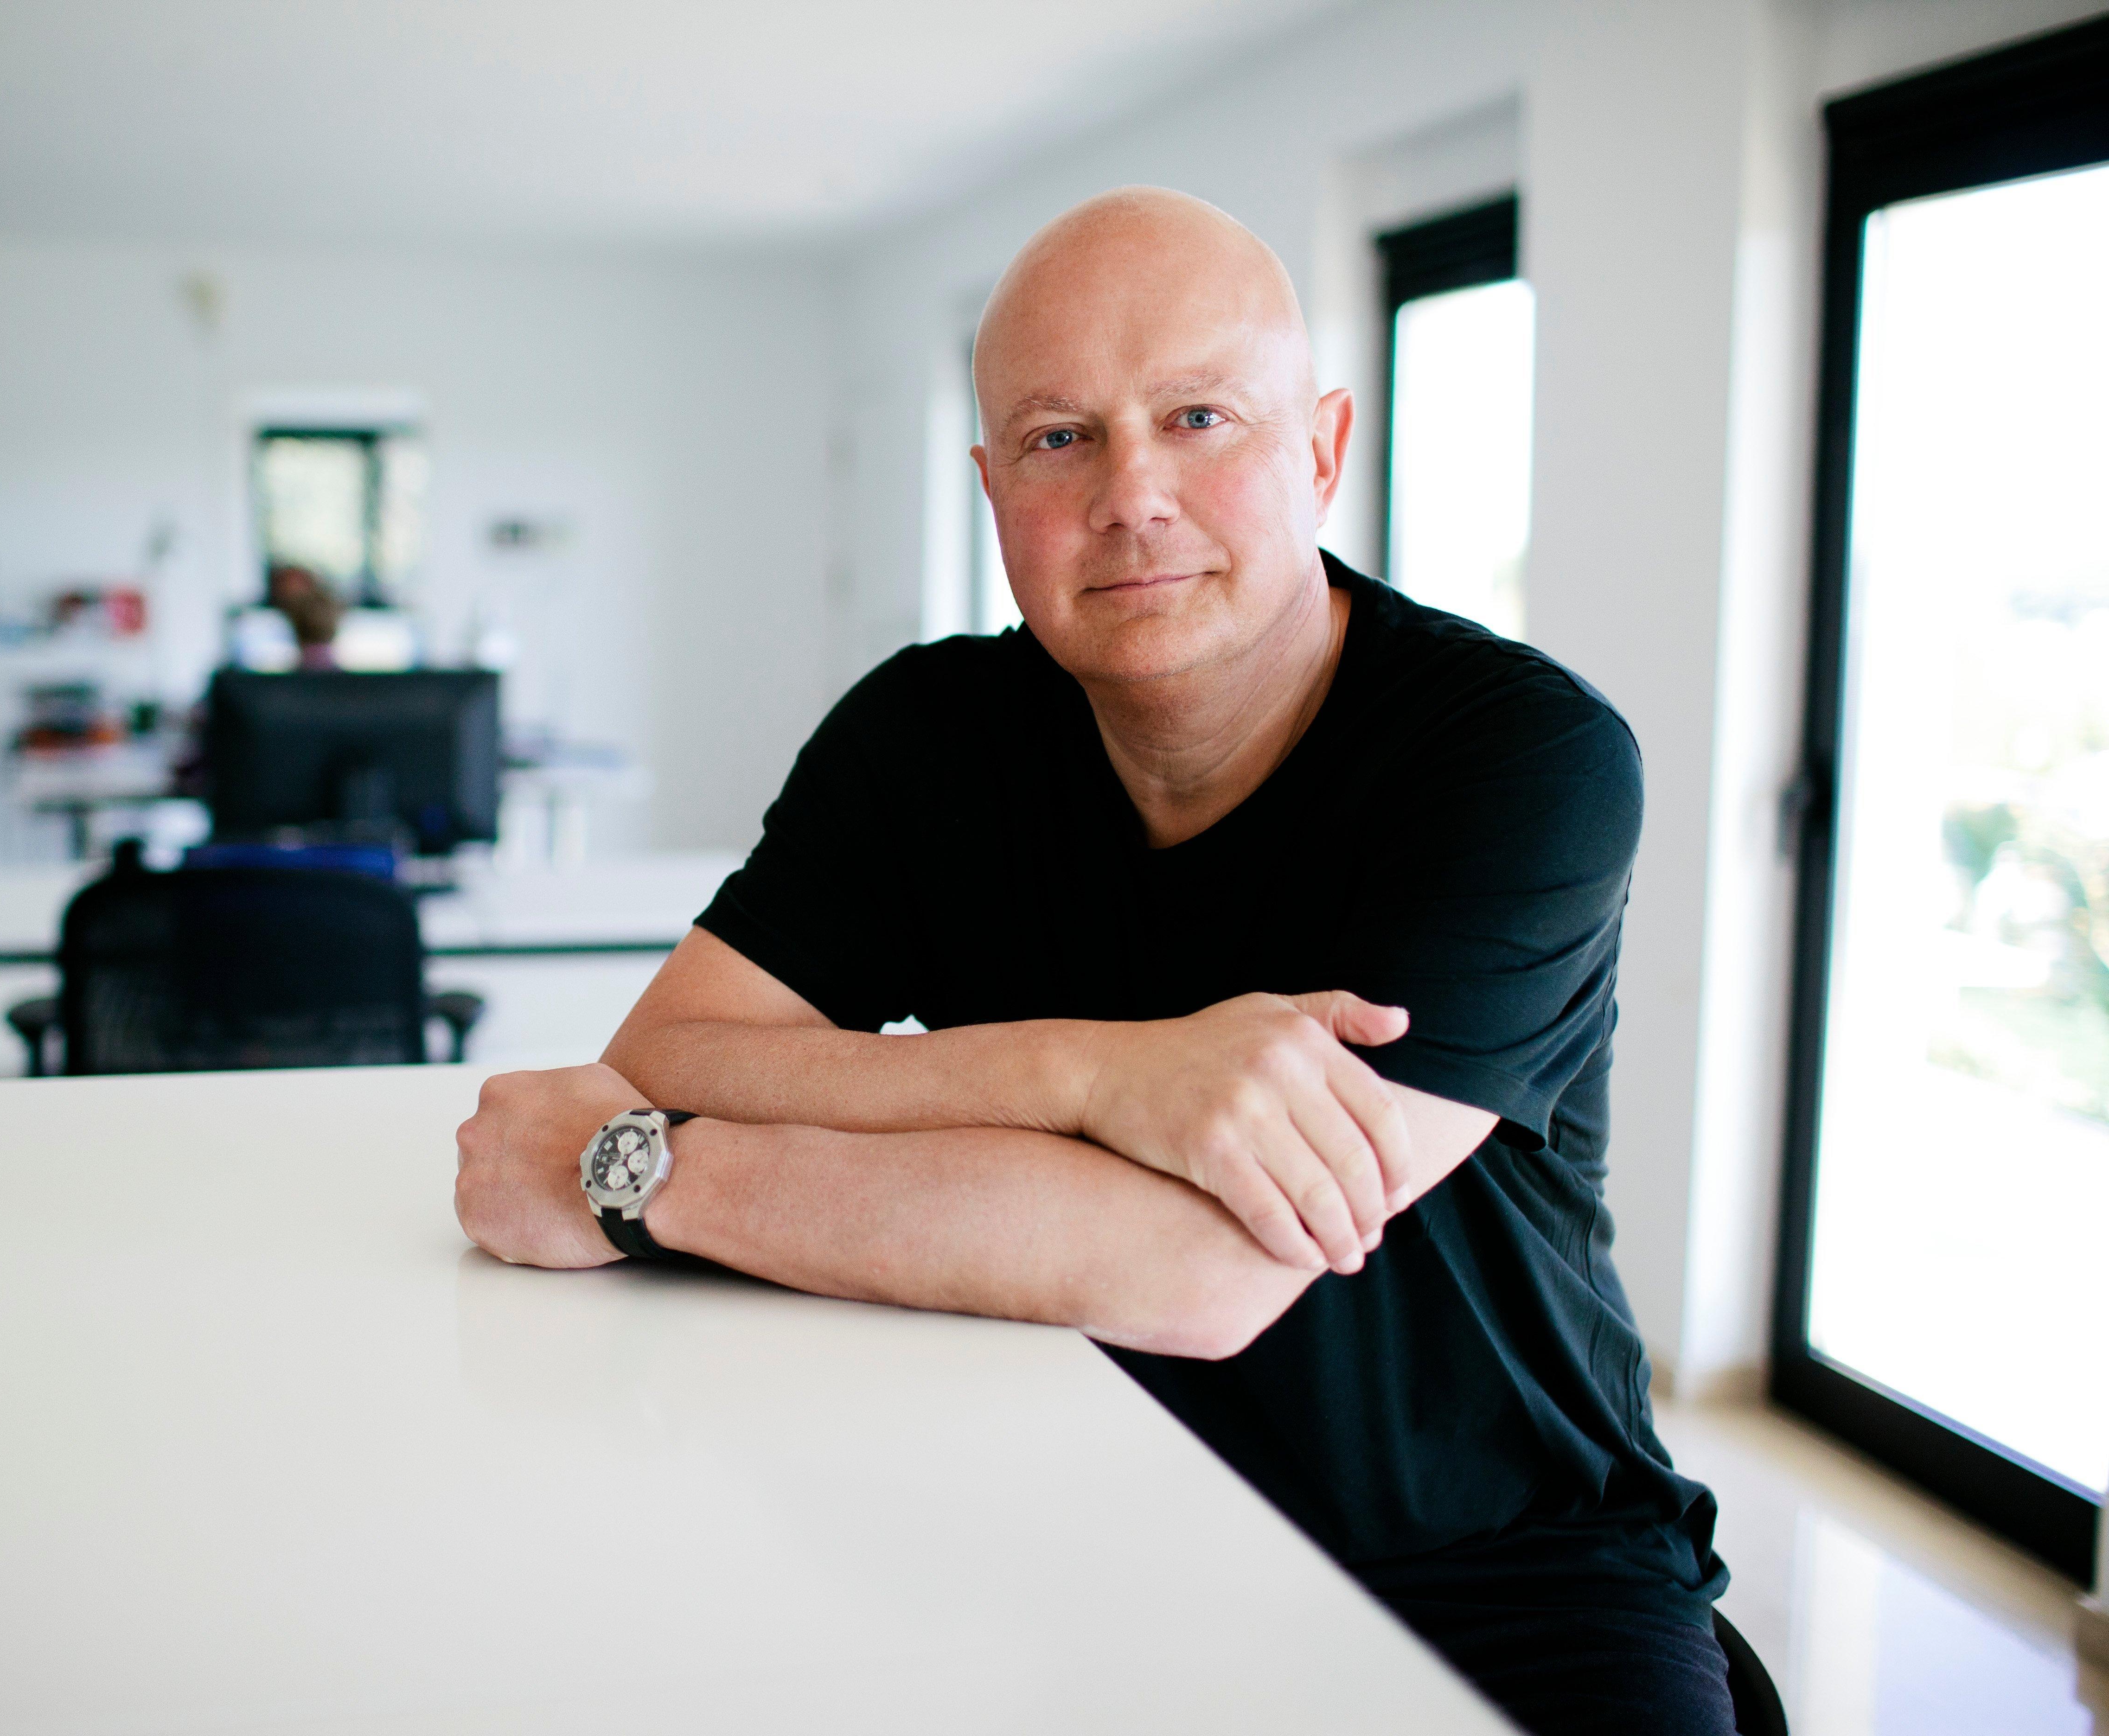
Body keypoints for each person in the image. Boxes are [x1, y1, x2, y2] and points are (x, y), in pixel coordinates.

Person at [453, 186, 1732, 1736]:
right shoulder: (929, 737)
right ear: (993, 488)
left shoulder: (1517, 758)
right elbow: (674, 1051)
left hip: (1498, 1561)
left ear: (1322, 451)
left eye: (1199, 417)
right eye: (1061, 439)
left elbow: (1197, 1269)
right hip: (1059, 1497)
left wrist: (639, 1179)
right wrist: (1099, 1073)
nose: (1134, 496)